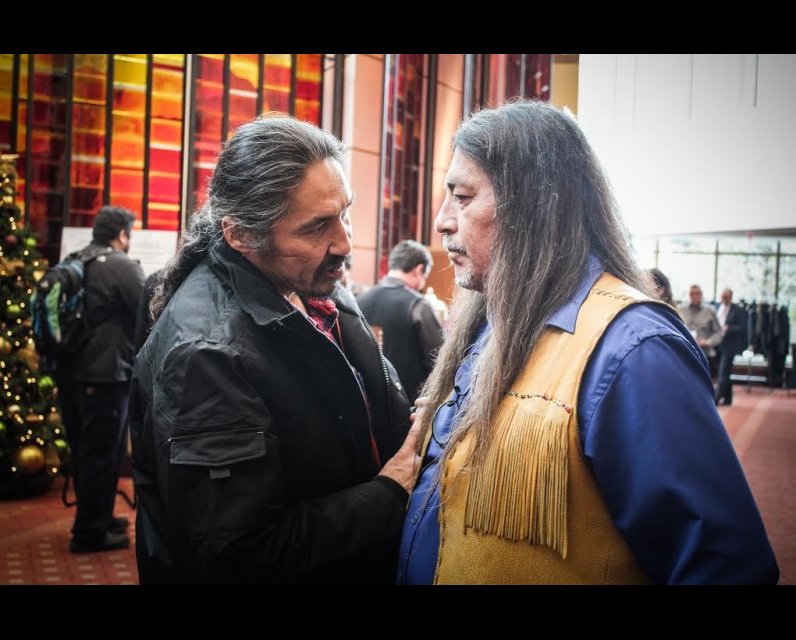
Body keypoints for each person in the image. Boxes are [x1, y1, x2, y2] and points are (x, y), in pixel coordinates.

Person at [398, 100, 778, 584]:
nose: (442, 221)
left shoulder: (633, 350)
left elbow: (724, 566)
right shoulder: (492, 324)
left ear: (532, 204)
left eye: (462, 196)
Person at [128, 115, 420, 584]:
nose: (345, 242)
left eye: (345, 212)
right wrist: (391, 492)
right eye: (317, 226)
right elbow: (240, 556)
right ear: (241, 235)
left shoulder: (310, 282)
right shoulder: (206, 354)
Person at [54, 205, 145, 553]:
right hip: (106, 376)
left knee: (85, 452)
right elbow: (148, 309)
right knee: (101, 455)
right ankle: (90, 532)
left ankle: (100, 517)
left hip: (71, 374)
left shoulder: (75, 260)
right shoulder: (122, 267)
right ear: (122, 234)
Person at [357, 240, 444, 402]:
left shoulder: (358, 301)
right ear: (419, 270)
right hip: (408, 404)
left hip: (369, 402)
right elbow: (439, 359)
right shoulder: (418, 305)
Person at [714, 288, 748, 406]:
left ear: (731, 297)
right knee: (724, 372)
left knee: (723, 372)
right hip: (716, 343)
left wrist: (729, 328)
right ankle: (728, 399)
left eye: (726, 297)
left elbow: (742, 327)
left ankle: (716, 398)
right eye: (722, 296)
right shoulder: (716, 307)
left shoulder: (738, 310)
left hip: (730, 345)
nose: (724, 299)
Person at [678, 284, 724, 368]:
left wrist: (708, 342)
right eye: (692, 293)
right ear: (689, 295)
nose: (695, 296)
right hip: (684, 352)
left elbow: (719, 332)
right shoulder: (680, 309)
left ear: (701, 295)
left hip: (704, 354)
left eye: (697, 293)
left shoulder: (710, 311)